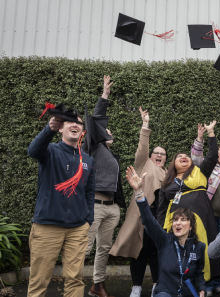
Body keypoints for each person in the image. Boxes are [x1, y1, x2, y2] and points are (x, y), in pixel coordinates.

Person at [27, 107, 95, 297]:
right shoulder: (49, 151)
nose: (75, 124)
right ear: (61, 128)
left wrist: (88, 219)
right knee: (39, 281)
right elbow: (32, 151)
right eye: (69, 121)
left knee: (75, 280)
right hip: (47, 226)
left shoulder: (88, 160)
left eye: (79, 123)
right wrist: (48, 128)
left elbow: (89, 192)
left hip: (78, 228)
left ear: (83, 131)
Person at [110, 107, 167, 297]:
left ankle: (157, 286)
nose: (159, 155)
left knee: (156, 253)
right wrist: (145, 124)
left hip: (159, 219)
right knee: (139, 252)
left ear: (166, 159)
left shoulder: (168, 173)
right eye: (156, 153)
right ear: (151, 156)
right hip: (140, 216)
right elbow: (143, 146)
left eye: (163, 154)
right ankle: (136, 287)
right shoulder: (144, 163)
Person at [156, 120, 220, 284]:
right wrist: (159, 230)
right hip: (175, 222)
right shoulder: (167, 182)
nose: (184, 157)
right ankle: (177, 284)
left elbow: (213, 155)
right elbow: (161, 209)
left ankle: (200, 284)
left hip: (200, 219)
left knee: (201, 250)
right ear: (174, 163)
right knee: (178, 253)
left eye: (186, 156)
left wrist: (211, 133)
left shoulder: (200, 172)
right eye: (179, 157)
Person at [125, 166, 206, 297]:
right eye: (175, 220)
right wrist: (139, 192)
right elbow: (149, 221)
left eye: (183, 220)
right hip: (165, 292)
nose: (178, 223)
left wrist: (202, 290)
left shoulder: (199, 247)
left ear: (191, 226)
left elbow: (199, 273)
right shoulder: (164, 240)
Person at [81, 76, 126, 297]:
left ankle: (97, 285)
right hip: (94, 206)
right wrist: (104, 96)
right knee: (84, 247)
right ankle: (71, 286)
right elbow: (96, 123)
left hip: (111, 207)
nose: (110, 132)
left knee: (104, 249)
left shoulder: (109, 155)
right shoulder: (93, 147)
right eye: (106, 131)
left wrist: (117, 206)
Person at [191, 123, 220, 296]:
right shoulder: (209, 169)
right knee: (207, 247)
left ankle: (219, 281)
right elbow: (195, 158)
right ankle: (206, 281)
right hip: (208, 215)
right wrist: (200, 138)